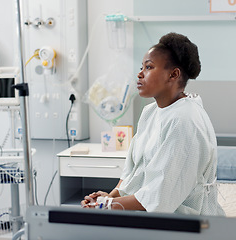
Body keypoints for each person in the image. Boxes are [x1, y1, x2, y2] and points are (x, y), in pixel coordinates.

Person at [81, 32, 225, 216]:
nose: (140, 74)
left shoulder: (184, 121)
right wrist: (109, 197)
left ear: (173, 74)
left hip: (186, 220)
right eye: (141, 67)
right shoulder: (150, 113)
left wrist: (107, 205)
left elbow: (160, 197)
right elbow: (132, 172)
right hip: (150, 213)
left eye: (148, 67)